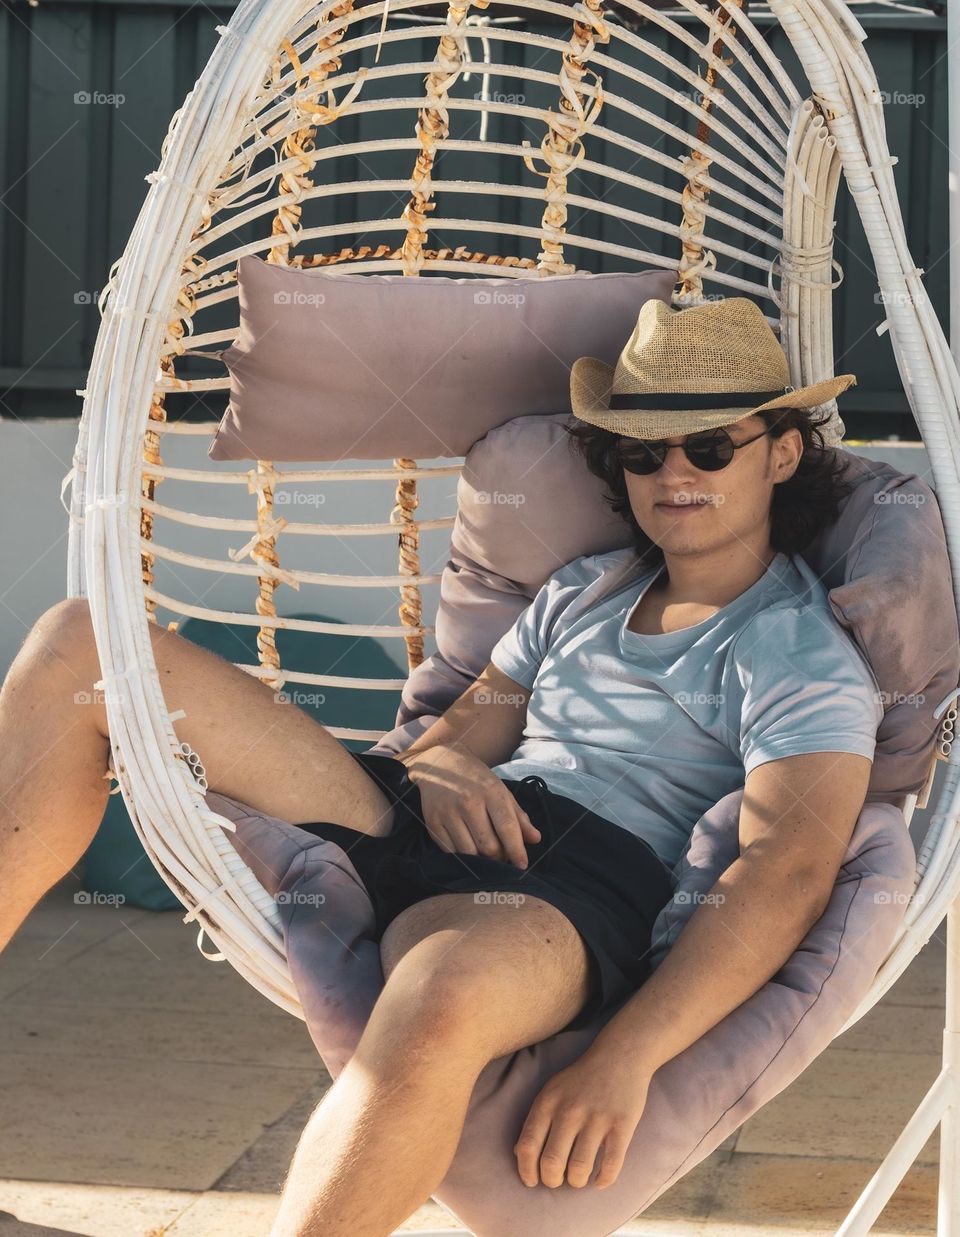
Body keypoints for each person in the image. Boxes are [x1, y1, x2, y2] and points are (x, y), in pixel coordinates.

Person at [0, 296, 883, 1236]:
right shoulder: (580, 592)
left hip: (578, 887)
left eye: (710, 445)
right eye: (642, 449)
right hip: (429, 815)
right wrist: (445, 769)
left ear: (782, 453)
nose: (674, 472)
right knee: (78, 645)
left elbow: (784, 872)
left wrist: (625, 1056)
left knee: (441, 998)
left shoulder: (798, 652)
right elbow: (459, 734)